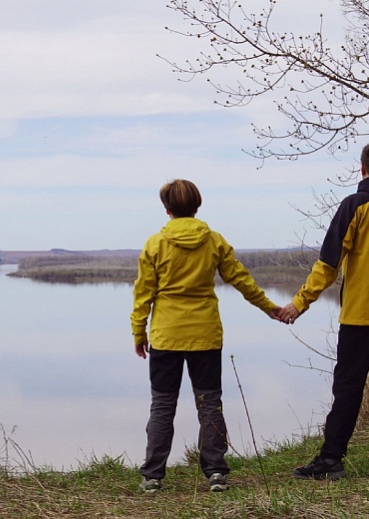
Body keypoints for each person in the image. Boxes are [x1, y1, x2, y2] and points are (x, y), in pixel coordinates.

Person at [279, 142, 369, 480]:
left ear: (363, 168)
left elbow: (329, 263)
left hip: (360, 316)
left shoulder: (355, 206)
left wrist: (299, 303)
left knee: (348, 387)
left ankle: (331, 460)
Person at [130, 179, 282, 493]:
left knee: (162, 405)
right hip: (205, 335)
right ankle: (215, 472)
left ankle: (153, 476)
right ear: (197, 206)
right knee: (210, 404)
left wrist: (138, 332)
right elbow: (240, 279)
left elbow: (143, 294)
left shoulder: (155, 244)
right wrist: (268, 307)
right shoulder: (213, 241)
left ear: (167, 209)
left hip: (166, 336)